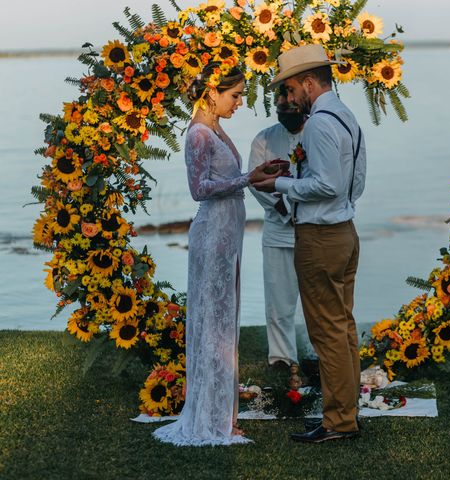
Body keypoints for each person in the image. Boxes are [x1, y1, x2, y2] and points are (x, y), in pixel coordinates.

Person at [153, 63, 283, 447]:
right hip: (212, 234)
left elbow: (227, 178)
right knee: (213, 323)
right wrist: (249, 178)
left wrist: (261, 173)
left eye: (241, 95)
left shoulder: (217, 128)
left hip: (229, 234)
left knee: (225, 322)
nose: (241, 102)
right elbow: (199, 189)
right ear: (212, 92)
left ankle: (223, 413)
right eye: (236, 95)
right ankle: (210, 418)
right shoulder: (198, 134)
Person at [254, 44, 367, 443]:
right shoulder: (347, 116)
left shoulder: (319, 122)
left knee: (327, 333)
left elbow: (327, 184)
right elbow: (355, 183)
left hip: (320, 237)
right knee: (344, 328)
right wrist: (341, 207)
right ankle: (348, 413)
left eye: (289, 87)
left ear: (307, 82)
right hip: (345, 231)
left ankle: (339, 421)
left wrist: (279, 183)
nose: (289, 97)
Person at [248, 86, 306, 371]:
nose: (283, 104)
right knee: (278, 304)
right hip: (277, 232)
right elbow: (256, 184)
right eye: (278, 100)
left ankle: (320, 356)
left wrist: (302, 212)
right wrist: (284, 210)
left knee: (317, 304)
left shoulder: (318, 134)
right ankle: (282, 359)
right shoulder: (264, 139)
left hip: (313, 230)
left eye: (288, 98)